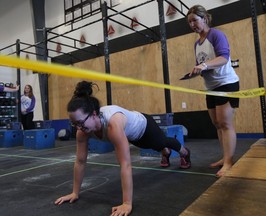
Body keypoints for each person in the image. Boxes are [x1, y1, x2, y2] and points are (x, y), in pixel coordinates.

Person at [54, 81, 191, 216]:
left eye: (80, 123)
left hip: (145, 126)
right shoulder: (82, 131)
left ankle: (184, 152)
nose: (78, 128)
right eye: (74, 124)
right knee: (153, 146)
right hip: (132, 135)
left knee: (161, 142)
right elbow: (80, 161)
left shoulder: (113, 125)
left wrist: (127, 203)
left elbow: (125, 164)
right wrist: (75, 192)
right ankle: (164, 152)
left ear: (94, 114)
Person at [186, 5, 240, 177]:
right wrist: (196, 71)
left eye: (195, 20)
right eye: (189, 22)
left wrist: (204, 65)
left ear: (205, 18)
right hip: (211, 87)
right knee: (217, 124)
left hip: (226, 84)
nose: (192, 24)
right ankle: (224, 157)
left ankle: (229, 162)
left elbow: (223, 58)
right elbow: (204, 64)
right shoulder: (197, 43)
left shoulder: (216, 35)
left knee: (225, 124)